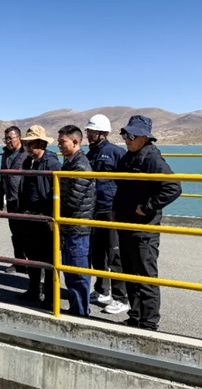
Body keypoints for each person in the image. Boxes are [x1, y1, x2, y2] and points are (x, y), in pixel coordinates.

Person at [113, 115, 181, 331]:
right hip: (125, 225)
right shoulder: (127, 158)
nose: (127, 139)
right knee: (129, 273)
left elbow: (173, 187)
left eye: (131, 136)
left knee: (145, 275)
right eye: (125, 135)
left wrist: (147, 207)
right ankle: (135, 316)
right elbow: (121, 189)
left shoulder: (152, 159)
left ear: (144, 137)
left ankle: (149, 322)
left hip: (144, 229)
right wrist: (116, 211)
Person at [84, 114, 130, 315]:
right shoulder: (90, 155)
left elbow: (125, 183)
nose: (88, 135)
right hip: (94, 209)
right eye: (88, 131)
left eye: (92, 132)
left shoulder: (116, 153)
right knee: (97, 252)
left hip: (110, 210)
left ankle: (122, 298)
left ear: (103, 133)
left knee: (114, 254)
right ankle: (102, 290)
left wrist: (120, 209)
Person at [16, 125, 61, 308]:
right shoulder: (28, 162)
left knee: (48, 259)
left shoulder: (52, 164)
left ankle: (50, 297)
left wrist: (51, 215)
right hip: (29, 216)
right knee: (32, 255)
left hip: (44, 218)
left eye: (31, 144)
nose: (28, 148)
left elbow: (56, 193)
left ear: (41, 144)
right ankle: (34, 289)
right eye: (26, 145)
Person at [56, 125, 96, 317]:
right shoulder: (70, 163)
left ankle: (80, 313)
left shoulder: (80, 166)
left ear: (75, 141)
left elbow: (73, 200)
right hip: (71, 225)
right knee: (71, 271)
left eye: (62, 142)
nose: (59, 145)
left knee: (77, 272)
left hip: (77, 226)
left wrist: (57, 213)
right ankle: (77, 309)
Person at [0, 126, 29, 273]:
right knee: (15, 232)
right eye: (6, 139)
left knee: (28, 232)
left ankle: (33, 264)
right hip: (11, 198)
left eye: (11, 138)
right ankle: (19, 262)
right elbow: (2, 175)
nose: (9, 141)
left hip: (24, 199)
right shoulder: (5, 154)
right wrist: (0, 195)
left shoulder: (26, 153)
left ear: (19, 138)